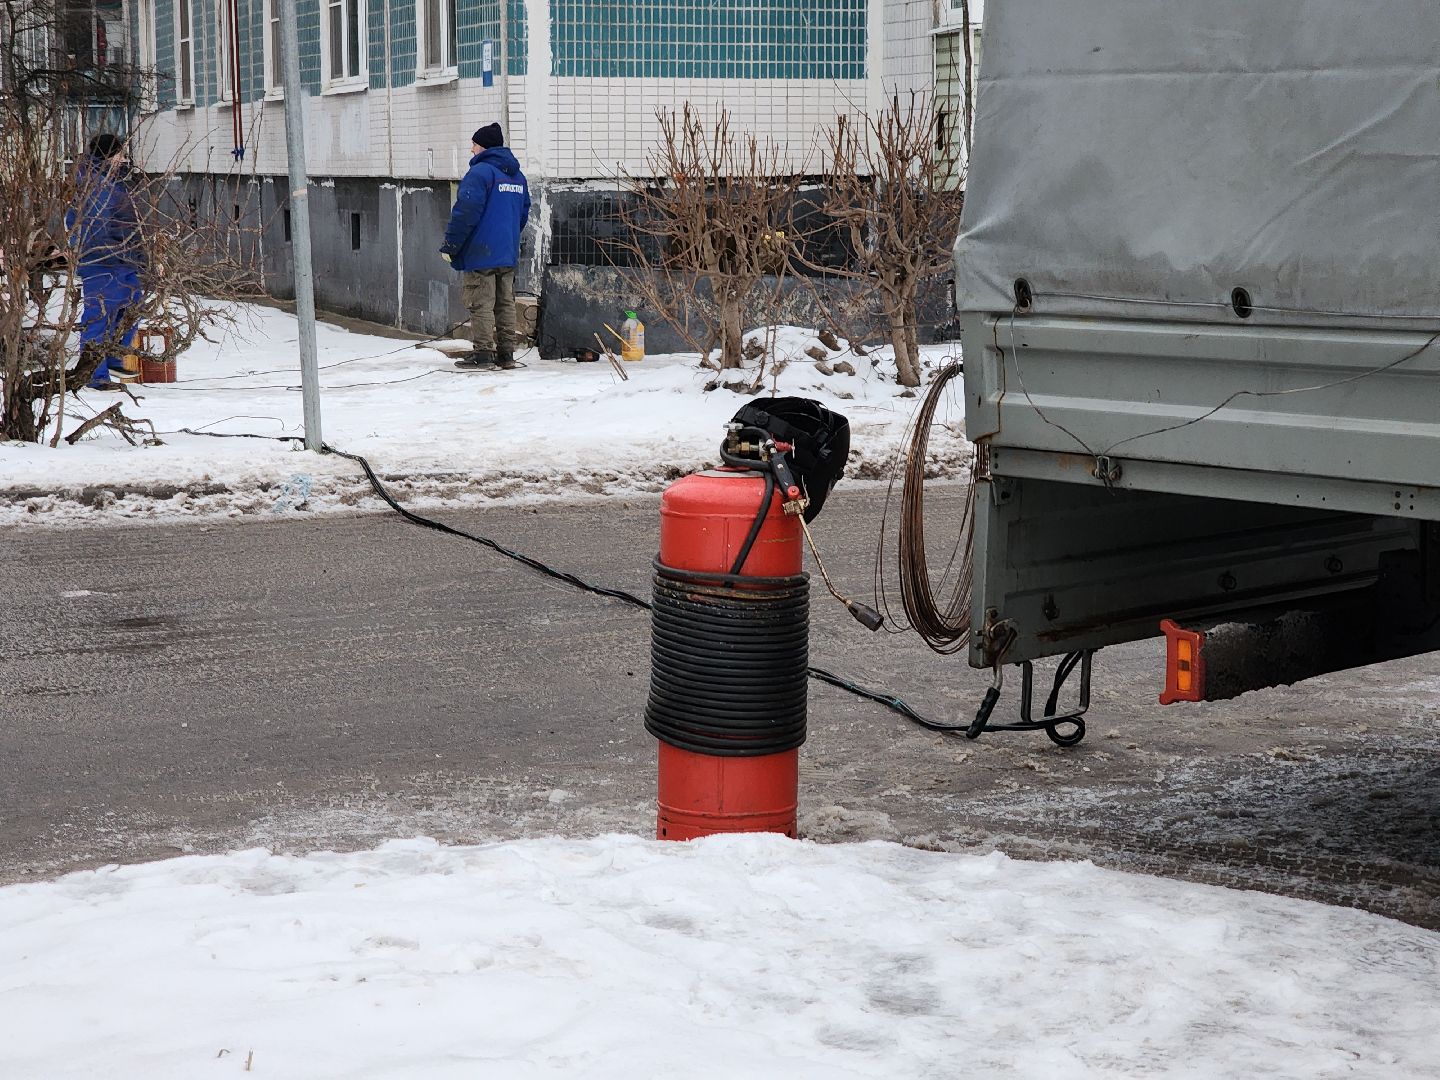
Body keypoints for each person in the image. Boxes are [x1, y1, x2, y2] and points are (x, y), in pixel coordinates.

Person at [440, 123, 531, 370]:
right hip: (507, 252)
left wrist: (451, 245)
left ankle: (483, 354)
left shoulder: (480, 174)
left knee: (481, 303)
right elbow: (523, 213)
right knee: (505, 303)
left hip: (481, 251)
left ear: (484, 147)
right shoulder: (517, 176)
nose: (471, 149)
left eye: (474, 144)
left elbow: (465, 213)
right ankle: (506, 355)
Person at [67, 133, 146, 391]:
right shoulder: (95, 185)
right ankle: (94, 374)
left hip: (123, 259)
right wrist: (116, 249)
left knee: (133, 304)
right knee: (99, 315)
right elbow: (95, 227)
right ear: (108, 156)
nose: (124, 158)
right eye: (119, 153)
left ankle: (113, 356)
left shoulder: (114, 181)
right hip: (103, 261)